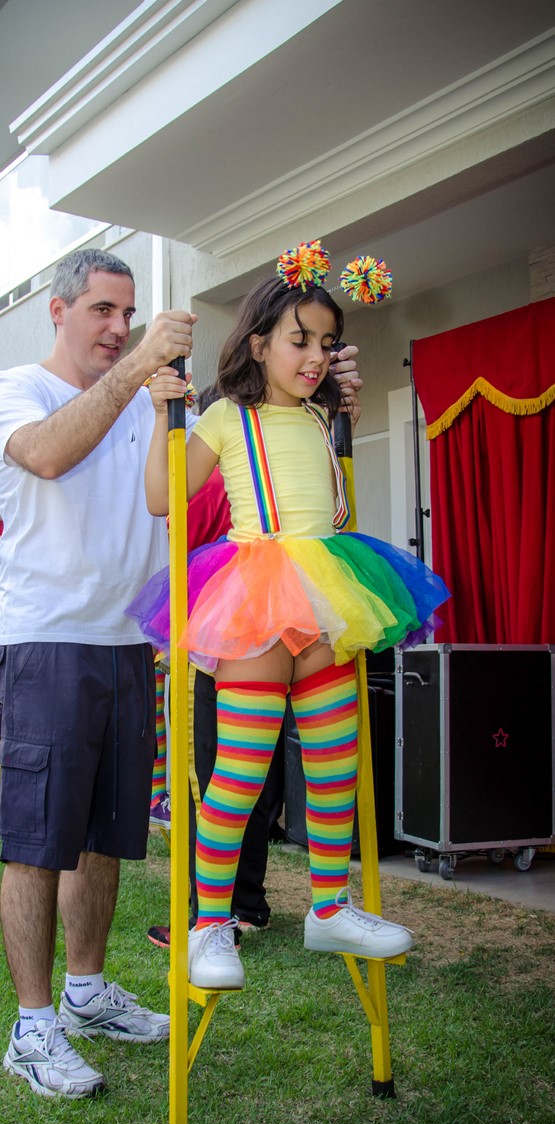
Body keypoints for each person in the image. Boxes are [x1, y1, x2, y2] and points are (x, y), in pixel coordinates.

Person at [127, 254, 450, 989]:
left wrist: (344, 403)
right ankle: (211, 924)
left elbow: (332, 495)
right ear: (258, 344)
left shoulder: (325, 416)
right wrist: (157, 415)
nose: (314, 357)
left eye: (325, 343)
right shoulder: (223, 416)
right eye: (298, 340)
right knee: (239, 775)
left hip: (327, 595)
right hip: (255, 600)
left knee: (336, 765)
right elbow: (161, 498)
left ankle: (328, 907)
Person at [0, 247, 196, 1100]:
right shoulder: (18, 389)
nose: (118, 327)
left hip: (128, 641)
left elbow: (182, 486)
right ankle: (32, 1029)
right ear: (59, 309)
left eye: (128, 314)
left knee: (106, 838)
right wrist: (137, 369)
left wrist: (318, 392)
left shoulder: (147, 397)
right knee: (39, 844)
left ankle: (86, 992)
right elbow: (45, 455)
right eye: (103, 310)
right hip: (47, 641)